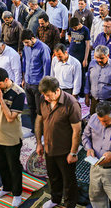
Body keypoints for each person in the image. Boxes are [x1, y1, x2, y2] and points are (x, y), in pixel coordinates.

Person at [35, 76, 82, 208]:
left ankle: (69, 204)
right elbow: (39, 121)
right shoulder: (42, 98)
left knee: (68, 181)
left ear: (57, 91)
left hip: (65, 150)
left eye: (49, 95)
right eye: (44, 95)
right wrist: (39, 143)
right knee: (53, 176)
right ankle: (55, 199)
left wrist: (73, 152)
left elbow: (77, 131)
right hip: (49, 148)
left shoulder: (71, 103)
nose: (46, 98)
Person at [0, 67, 25, 207]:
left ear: (6, 80)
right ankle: (6, 188)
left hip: (11, 139)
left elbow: (10, 118)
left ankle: (17, 194)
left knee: (13, 167)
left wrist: (1, 99)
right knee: (0, 164)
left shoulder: (19, 93)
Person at [21, 29, 52, 130]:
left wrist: (44, 87)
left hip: (38, 84)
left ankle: (43, 130)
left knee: (40, 109)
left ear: (33, 38)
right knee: (31, 108)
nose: (25, 44)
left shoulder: (43, 48)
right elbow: (24, 62)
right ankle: (35, 128)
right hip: (28, 82)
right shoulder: (26, 47)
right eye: (24, 43)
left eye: (27, 42)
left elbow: (46, 67)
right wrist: (23, 78)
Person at [85, 45, 111, 115]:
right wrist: (86, 96)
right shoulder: (92, 64)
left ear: (108, 55)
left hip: (109, 101)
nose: (99, 60)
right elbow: (88, 81)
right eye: (97, 57)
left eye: (102, 58)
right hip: (95, 100)